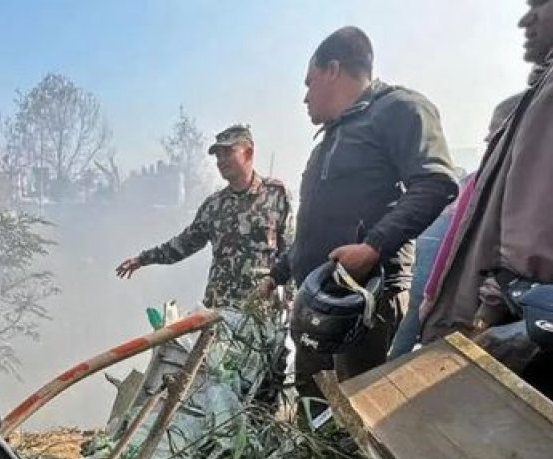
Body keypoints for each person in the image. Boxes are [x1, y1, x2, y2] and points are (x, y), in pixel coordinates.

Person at [263, 27, 458, 398]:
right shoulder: (332, 138)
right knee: (313, 404)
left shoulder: (398, 109)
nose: (305, 97)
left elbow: (436, 183)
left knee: (352, 414)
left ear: (333, 69)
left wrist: (372, 248)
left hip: (364, 297)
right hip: (319, 297)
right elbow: (318, 227)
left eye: (309, 82)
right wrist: (277, 274)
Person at [421, 0, 553, 355]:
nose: (526, 19)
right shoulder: (539, 91)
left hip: (512, 328)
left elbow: (531, 239)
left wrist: (495, 315)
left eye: (540, 4)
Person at [390, 94, 522, 358]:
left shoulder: (507, 185)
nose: (489, 143)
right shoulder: (475, 184)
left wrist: (485, 312)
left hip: (472, 315)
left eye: (495, 136)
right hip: (443, 303)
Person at [116, 125, 291, 310]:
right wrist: (142, 259)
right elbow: (182, 245)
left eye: (227, 152)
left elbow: (293, 252)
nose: (221, 161)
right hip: (219, 311)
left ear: (248, 152)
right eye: (218, 156)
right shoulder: (214, 205)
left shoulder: (276, 195)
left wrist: (292, 299)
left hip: (260, 311)